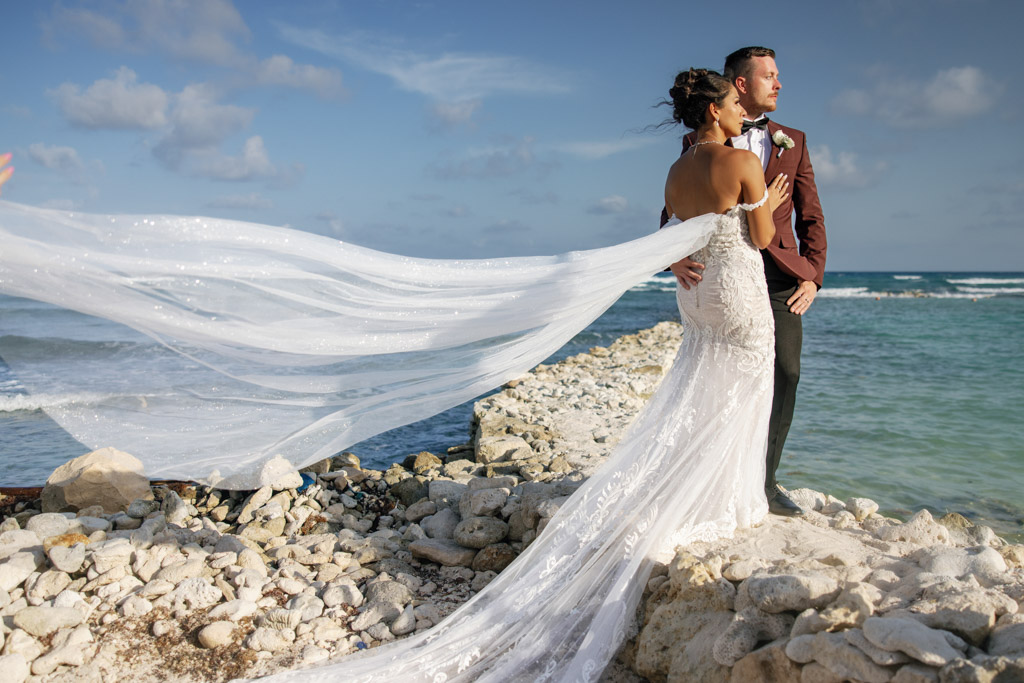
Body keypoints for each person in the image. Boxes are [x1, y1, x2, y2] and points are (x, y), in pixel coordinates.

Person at [0, 68, 786, 680]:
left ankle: (702, 495)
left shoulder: (675, 173)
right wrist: (772, 195)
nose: (743, 115)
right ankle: (727, 499)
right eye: (736, 107)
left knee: (697, 381)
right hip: (740, 291)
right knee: (740, 383)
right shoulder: (741, 161)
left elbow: (680, 237)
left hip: (698, 298)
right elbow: (754, 234)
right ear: (718, 110)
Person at [663, 46, 827, 517]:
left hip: (780, 280)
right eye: (769, 76)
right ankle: (723, 478)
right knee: (727, 377)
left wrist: (813, 275)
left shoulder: (792, 139)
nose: (778, 84)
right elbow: (676, 214)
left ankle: (765, 481)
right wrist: (673, 255)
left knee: (786, 374)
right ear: (739, 85)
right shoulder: (698, 145)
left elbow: (812, 214)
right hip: (733, 278)